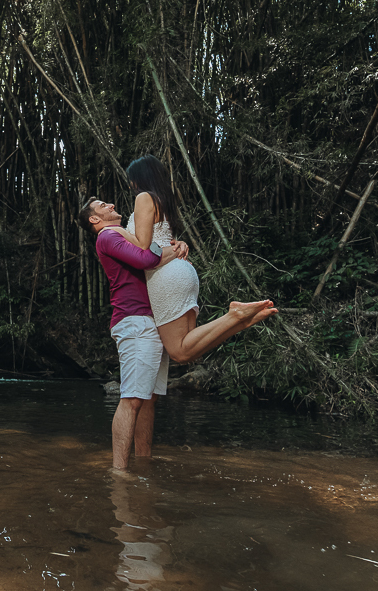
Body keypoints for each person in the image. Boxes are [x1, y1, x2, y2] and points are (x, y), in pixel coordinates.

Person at [78, 196, 275, 470]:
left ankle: (143, 463)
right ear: (94, 220)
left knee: (148, 401)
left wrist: (178, 245)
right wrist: (174, 250)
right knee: (132, 400)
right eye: (102, 206)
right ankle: (119, 472)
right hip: (135, 322)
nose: (110, 205)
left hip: (153, 320)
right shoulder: (107, 237)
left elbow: (151, 252)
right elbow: (145, 259)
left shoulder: (124, 234)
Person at [122, 154, 273, 363]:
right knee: (188, 348)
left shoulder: (144, 198)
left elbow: (142, 246)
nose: (131, 185)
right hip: (182, 272)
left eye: (132, 179)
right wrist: (181, 243)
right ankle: (239, 322)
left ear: (141, 177)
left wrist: (114, 231)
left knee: (179, 352)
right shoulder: (163, 201)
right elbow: (165, 240)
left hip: (164, 277)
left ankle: (233, 316)